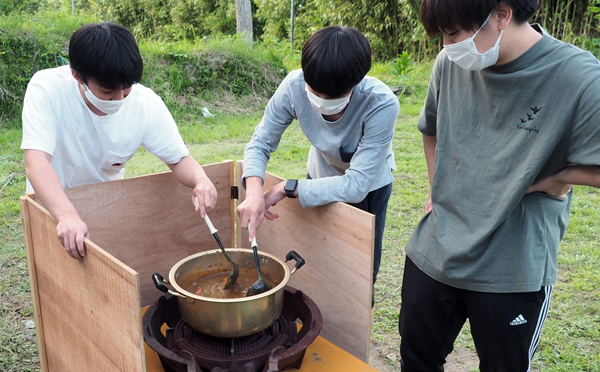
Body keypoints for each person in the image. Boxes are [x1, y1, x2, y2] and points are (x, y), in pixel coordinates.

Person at [399, 0, 600, 370]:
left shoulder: (579, 77)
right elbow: (431, 130)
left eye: (454, 33)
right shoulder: (452, 62)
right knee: (416, 359)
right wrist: (434, 188)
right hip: (437, 249)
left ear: (502, 15)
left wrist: (561, 177)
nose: (447, 45)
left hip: (513, 266)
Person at [21, 22, 217, 261]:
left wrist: (200, 179)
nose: (119, 99)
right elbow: (36, 162)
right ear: (77, 76)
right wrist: (66, 215)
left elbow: (179, 159)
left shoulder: (145, 103)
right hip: (54, 208)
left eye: (126, 90)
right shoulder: (47, 88)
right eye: (107, 92)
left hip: (106, 207)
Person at [236, 25, 399, 302]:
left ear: (357, 82)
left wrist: (285, 188)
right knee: (316, 255)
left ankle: (355, 326)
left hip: (369, 186)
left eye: (332, 96)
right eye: (315, 91)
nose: (321, 101)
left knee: (358, 270)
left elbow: (357, 185)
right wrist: (254, 192)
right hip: (318, 174)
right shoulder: (293, 86)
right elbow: (260, 143)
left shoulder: (381, 104)